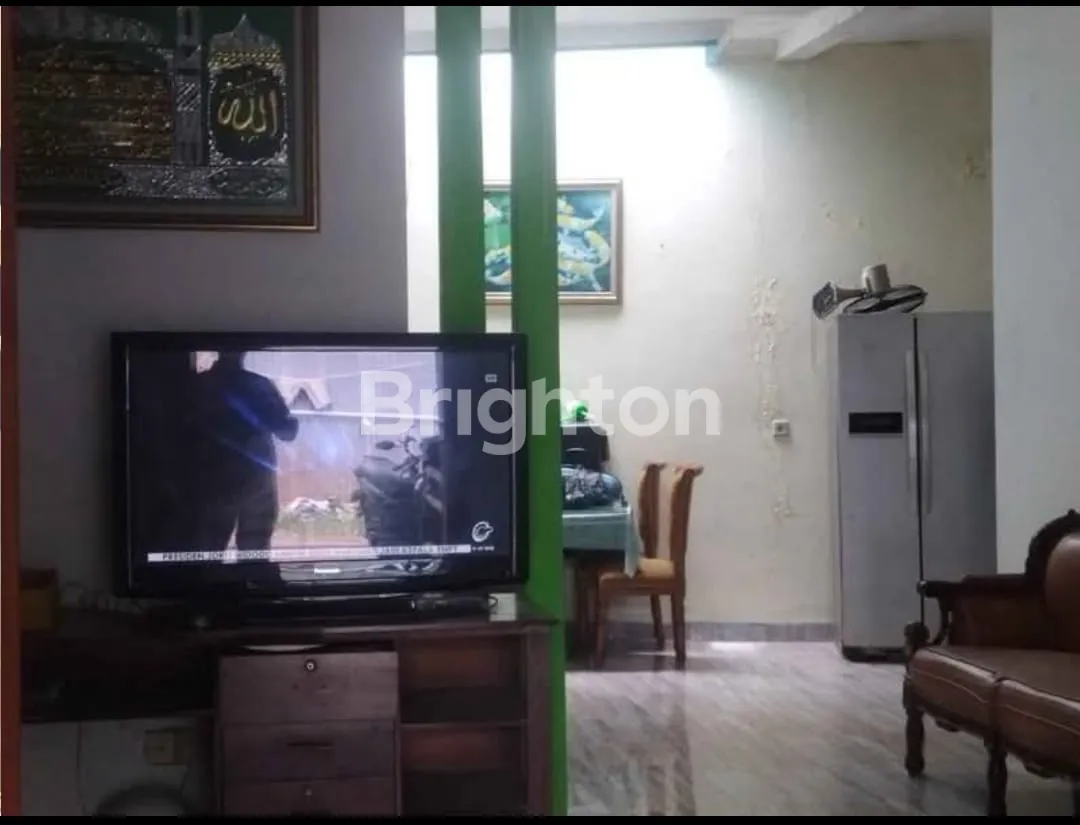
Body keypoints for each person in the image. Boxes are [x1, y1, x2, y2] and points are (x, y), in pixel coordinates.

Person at [193, 351, 299, 553]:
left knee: (209, 550)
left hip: (210, 479)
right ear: (244, 351)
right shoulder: (258, 386)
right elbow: (287, 431)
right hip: (255, 479)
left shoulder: (199, 385)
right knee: (254, 549)